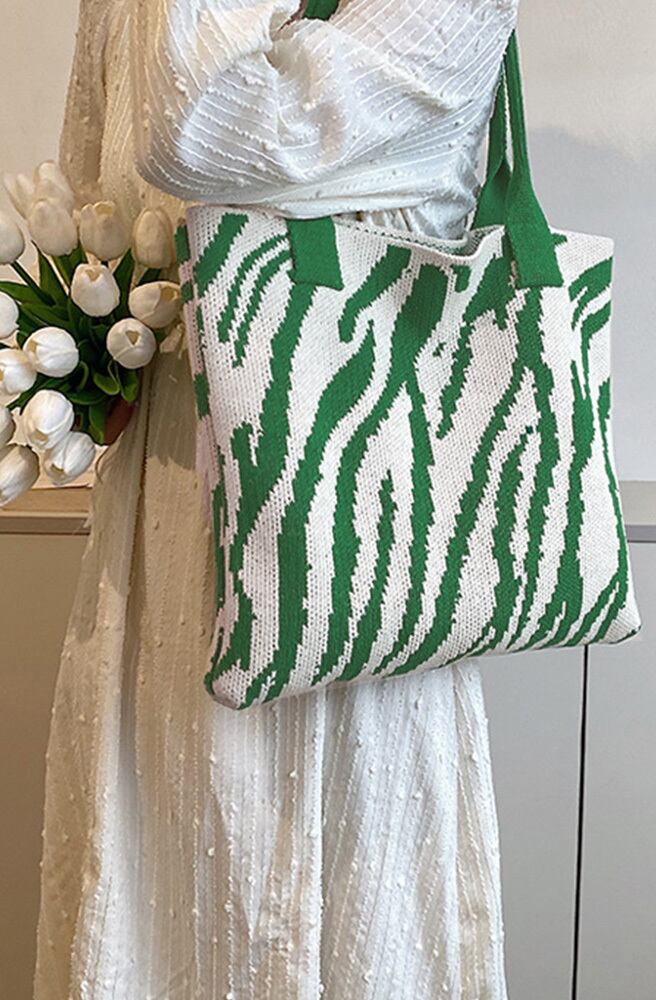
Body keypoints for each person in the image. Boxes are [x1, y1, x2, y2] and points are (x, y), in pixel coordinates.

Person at [35, 1, 517, 996]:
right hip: (163, 555)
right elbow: (91, 210)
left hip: (363, 549)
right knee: (155, 911)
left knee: (351, 913)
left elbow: (199, 132)